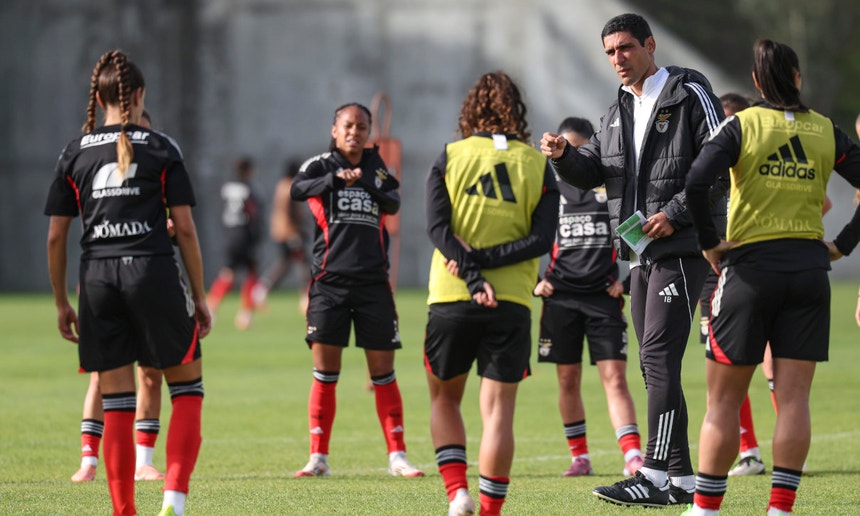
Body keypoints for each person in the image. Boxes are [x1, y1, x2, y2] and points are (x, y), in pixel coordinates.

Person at [540, 12, 727, 507]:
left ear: (650, 45)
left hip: (685, 247)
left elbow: (718, 161)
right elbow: (593, 169)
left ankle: (655, 474)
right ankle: (684, 480)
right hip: (641, 255)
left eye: (625, 48)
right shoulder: (618, 109)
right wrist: (562, 156)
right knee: (652, 365)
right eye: (609, 52)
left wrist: (674, 212)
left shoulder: (690, 92)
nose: (617, 60)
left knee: (658, 359)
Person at [683, 38, 860, 516]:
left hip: (750, 270)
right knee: (794, 396)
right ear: (798, 78)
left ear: (757, 83)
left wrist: (706, 242)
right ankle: (780, 509)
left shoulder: (742, 124)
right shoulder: (826, 129)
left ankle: (704, 509)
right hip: (808, 271)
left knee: (722, 401)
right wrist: (842, 244)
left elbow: (697, 181)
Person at [45, 49, 210, 516]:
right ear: (138, 95)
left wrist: (61, 302)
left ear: (97, 97)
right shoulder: (162, 147)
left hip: (96, 280)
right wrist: (199, 296)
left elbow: (57, 235)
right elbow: (187, 229)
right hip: (153, 273)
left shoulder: (73, 151)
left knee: (115, 402)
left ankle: (123, 511)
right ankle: (174, 502)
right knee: (188, 391)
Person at [424, 71, 559, 516]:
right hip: (513, 301)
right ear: (516, 110)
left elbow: (438, 230)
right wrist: (490, 262)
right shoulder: (537, 164)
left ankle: (456, 491)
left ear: (469, 110)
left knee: (445, 398)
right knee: (499, 412)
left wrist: (470, 267)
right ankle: (489, 511)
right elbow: (542, 240)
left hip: (450, 296)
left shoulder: (450, 155)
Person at [290, 102, 423, 480]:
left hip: (373, 285)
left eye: (362, 127)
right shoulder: (319, 165)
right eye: (348, 126)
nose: (355, 132)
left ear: (368, 132)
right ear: (335, 129)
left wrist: (364, 179)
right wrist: (336, 180)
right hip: (328, 284)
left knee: (383, 373)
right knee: (324, 372)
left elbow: (393, 201)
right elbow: (298, 190)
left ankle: (397, 456)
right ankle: (318, 457)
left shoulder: (377, 167)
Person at [534, 116, 643, 478]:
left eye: (577, 149)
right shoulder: (547, 189)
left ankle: (632, 456)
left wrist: (626, 283)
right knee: (567, 380)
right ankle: (579, 456)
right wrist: (536, 280)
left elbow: (638, 232)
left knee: (615, 378)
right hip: (560, 298)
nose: (567, 156)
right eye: (562, 148)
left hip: (602, 298)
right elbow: (525, 233)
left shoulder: (608, 188)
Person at [70, 109, 168, 485]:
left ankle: (144, 460)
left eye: (146, 131)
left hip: (149, 278)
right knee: (100, 374)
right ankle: (89, 460)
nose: (139, 139)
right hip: (106, 278)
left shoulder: (160, 169)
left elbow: (176, 223)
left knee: (150, 374)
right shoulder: (100, 171)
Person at [206, 156, 263, 330]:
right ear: (248, 170)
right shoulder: (249, 189)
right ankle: (245, 315)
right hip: (244, 235)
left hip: (229, 235)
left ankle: (211, 308)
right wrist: (256, 236)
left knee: (228, 273)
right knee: (251, 273)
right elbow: (253, 213)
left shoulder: (226, 188)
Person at [251, 158, 310, 313]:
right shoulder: (289, 186)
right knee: (302, 262)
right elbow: (289, 210)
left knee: (285, 263)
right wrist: (296, 230)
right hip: (289, 232)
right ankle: (306, 296)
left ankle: (261, 290)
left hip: (281, 230)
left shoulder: (282, 184)